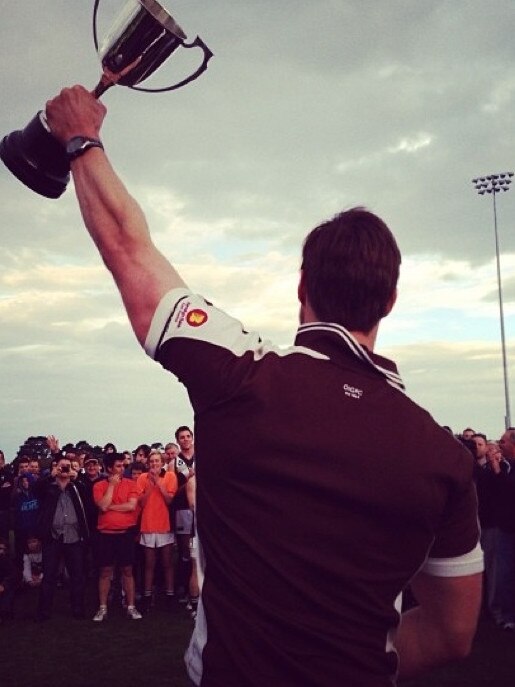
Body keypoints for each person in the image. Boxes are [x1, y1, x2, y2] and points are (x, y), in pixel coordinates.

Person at [45, 86, 483, 686]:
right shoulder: (442, 454)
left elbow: (127, 247)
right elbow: (453, 633)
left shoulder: (242, 374)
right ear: (390, 301)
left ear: (301, 286)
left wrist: (81, 140)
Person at [33, 454, 89, 620]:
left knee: (77, 576)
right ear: (56, 469)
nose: (64, 469)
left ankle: (77, 609)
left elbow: (88, 493)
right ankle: (43, 612)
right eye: (61, 466)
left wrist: (77, 477)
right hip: (53, 537)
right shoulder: (48, 488)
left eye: (68, 466)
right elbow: (35, 489)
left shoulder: (77, 487)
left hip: (74, 537)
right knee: (49, 576)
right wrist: (51, 475)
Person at [92, 452, 142, 622]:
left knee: (127, 570)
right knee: (105, 571)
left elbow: (131, 506)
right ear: (108, 468)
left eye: (123, 465)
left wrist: (110, 507)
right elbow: (103, 506)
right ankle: (103, 607)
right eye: (118, 466)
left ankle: (131, 606)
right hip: (105, 535)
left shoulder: (131, 484)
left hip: (125, 535)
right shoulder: (99, 486)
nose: (122, 469)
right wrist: (111, 487)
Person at [136, 449, 178, 612]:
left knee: (167, 563)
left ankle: (169, 596)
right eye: (151, 461)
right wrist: (150, 483)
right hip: (147, 525)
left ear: (162, 463)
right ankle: (147, 597)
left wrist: (159, 482)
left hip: (164, 525)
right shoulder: (141, 478)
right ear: (148, 464)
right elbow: (141, 503)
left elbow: (169, 500)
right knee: (149, 564)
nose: (154, 464)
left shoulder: (170, 476)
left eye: (157, 461)